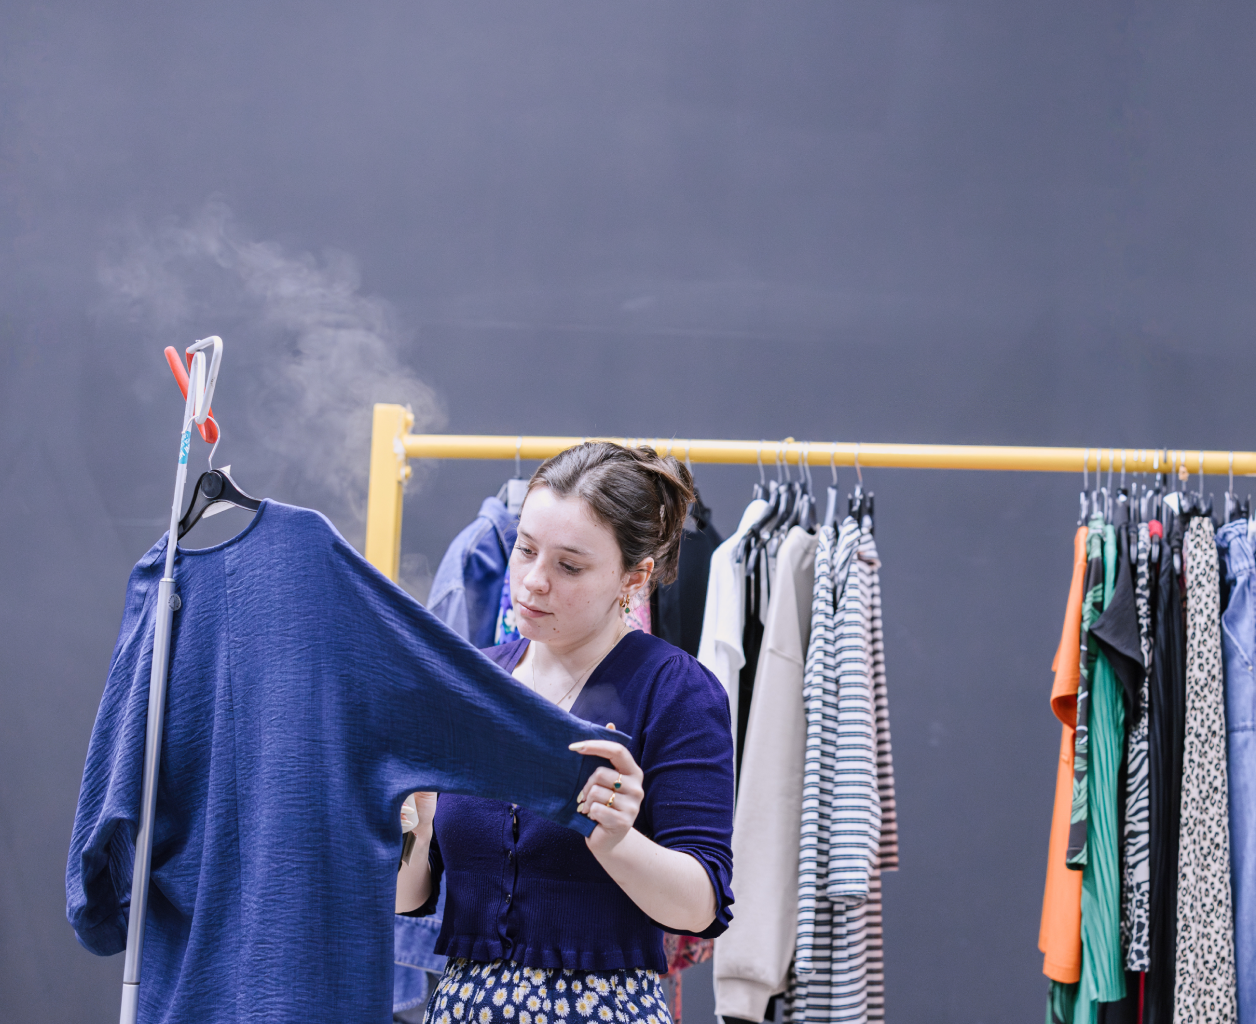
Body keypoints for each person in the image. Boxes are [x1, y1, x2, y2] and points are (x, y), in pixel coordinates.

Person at [396, 441, 735, 1024]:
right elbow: (409, 898)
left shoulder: (676, 692)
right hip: (459, 1008)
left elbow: (702, 907)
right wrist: (415, 828)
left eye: (569, 566)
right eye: (525, 550)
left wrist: (616, 838)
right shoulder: (470, 680)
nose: (532, 581)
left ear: (635, 576)